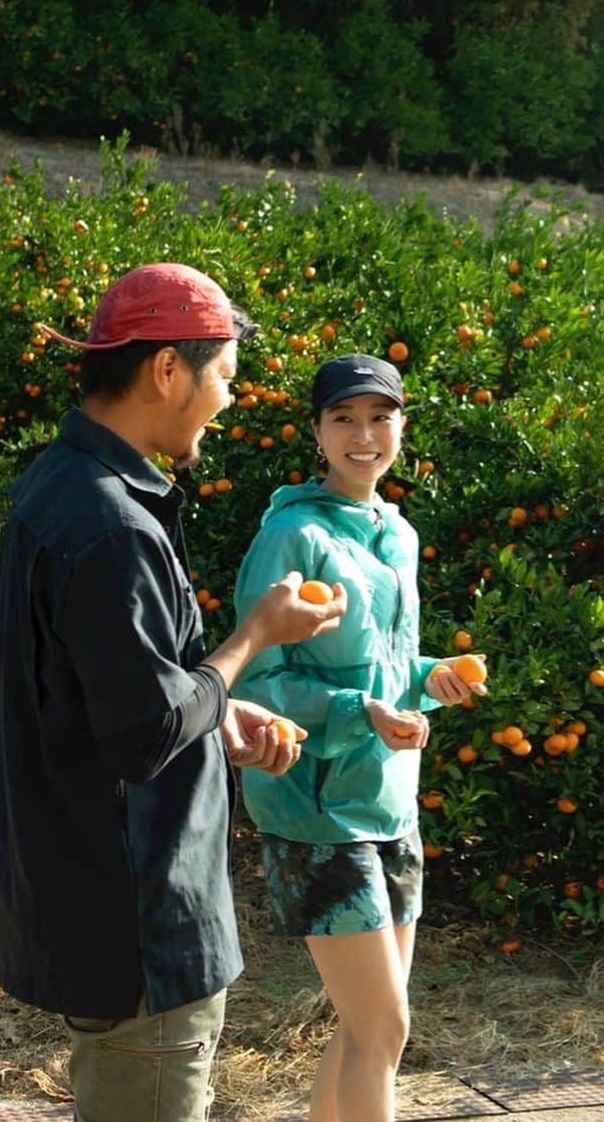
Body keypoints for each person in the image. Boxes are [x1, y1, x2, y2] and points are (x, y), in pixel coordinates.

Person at [0, 262, 347, 1122]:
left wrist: (218, 712)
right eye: (222, 374)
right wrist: (255, 637)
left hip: (99, 907)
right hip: (140, 925)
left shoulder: (64, 485)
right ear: (165, 371)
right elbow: (144, 731)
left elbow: (102, 697)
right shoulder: (113, 524)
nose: (226, 398)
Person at [230, 353, 484, 1122]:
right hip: (313, 808)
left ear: (401, 426)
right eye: (344, 417)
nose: (363, 434)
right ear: (317, 431)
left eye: (379, 416)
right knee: (384, 1025)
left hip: (387, 801)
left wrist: (432, 675)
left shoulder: (397, 533)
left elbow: (387, 662)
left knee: (365, 1024)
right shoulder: (290, 535)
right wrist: (359, 713)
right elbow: (253, 685)